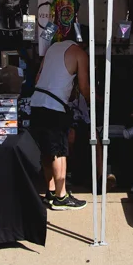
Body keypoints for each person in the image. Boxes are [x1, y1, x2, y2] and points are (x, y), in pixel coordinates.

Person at [30, 35, 89, 210]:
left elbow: (37, 79)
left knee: (47, 152)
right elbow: (84, 87)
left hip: (37, 102)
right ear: (83, 42)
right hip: (54, 107)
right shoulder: (79, 53)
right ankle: (61, 196)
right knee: (59, 151)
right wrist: (94, 101)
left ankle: (50, 192)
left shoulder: (52, 49)